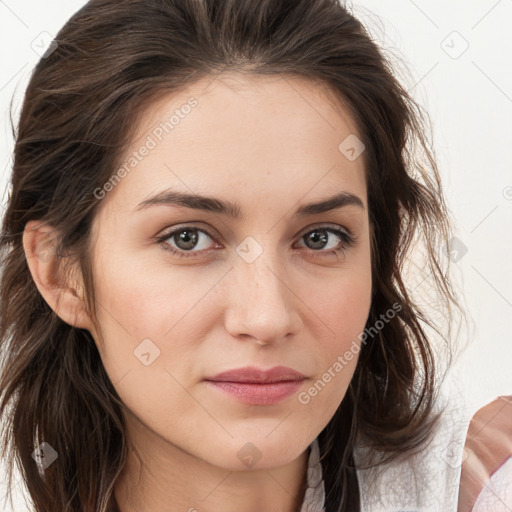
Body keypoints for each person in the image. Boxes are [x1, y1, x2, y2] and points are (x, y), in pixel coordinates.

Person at [0, 1, 509, 511]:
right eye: (188, 238)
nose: (266, 318)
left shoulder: (488, 482)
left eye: (320, 238)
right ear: (62, 275)